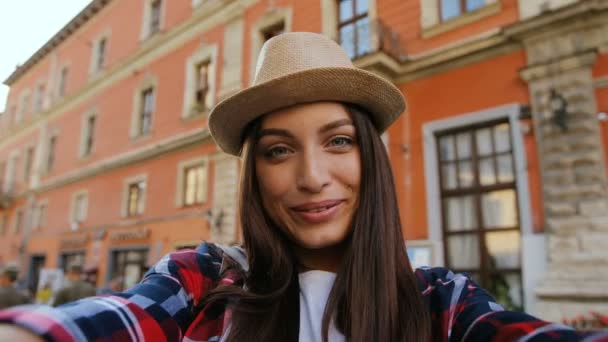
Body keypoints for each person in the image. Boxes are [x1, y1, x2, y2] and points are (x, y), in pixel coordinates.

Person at [0, 32, 606, 341]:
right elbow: (118, 320)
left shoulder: (438, 302)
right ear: (254, 174)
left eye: (338, 141)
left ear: (370, 157)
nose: (312, 177)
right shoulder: (206, 282)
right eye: (279, 150)